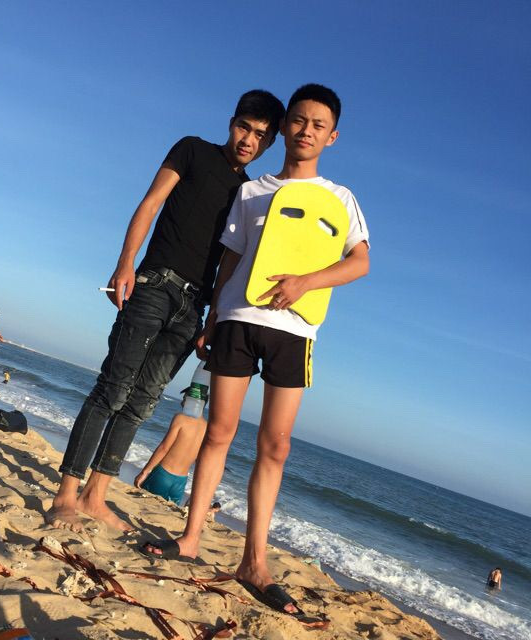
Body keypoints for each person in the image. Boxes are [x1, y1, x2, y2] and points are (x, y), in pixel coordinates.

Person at [142, 84, 370, 621]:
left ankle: (254, 562)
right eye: (299, 120)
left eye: (318, 125)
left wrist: (306, 282)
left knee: (276, 446)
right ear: (285, 126)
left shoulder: (340, 198)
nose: (306, 130)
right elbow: (230, 258)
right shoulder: (253, 190)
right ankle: (191, 538)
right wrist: (213, 317)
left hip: (295, 329)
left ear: (332, 137)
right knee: (217, 432)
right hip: (238, 320)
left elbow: (359, 261)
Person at [46, 89, 285, 533]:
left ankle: (96, 495)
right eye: (244, 128)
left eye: (260, 135)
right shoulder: (192, 149)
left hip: (194, 307)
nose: (248, 140)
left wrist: (214, 317)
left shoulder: (249, 193)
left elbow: (231, 261)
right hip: (156, 283)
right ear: (232, 122)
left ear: (270, 144)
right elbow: (151, 203)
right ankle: (65, 494)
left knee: (142, 402)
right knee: (113, 388)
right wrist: (125, 263)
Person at [134, 389, 208, 505]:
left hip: (163, 475)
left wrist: (145, 472)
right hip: (181, 482)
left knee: (143, 505)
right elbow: (200, 461)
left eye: (185, 399)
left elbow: (164, 447)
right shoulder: (206, 427)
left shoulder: (181, 418)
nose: (182, 402)